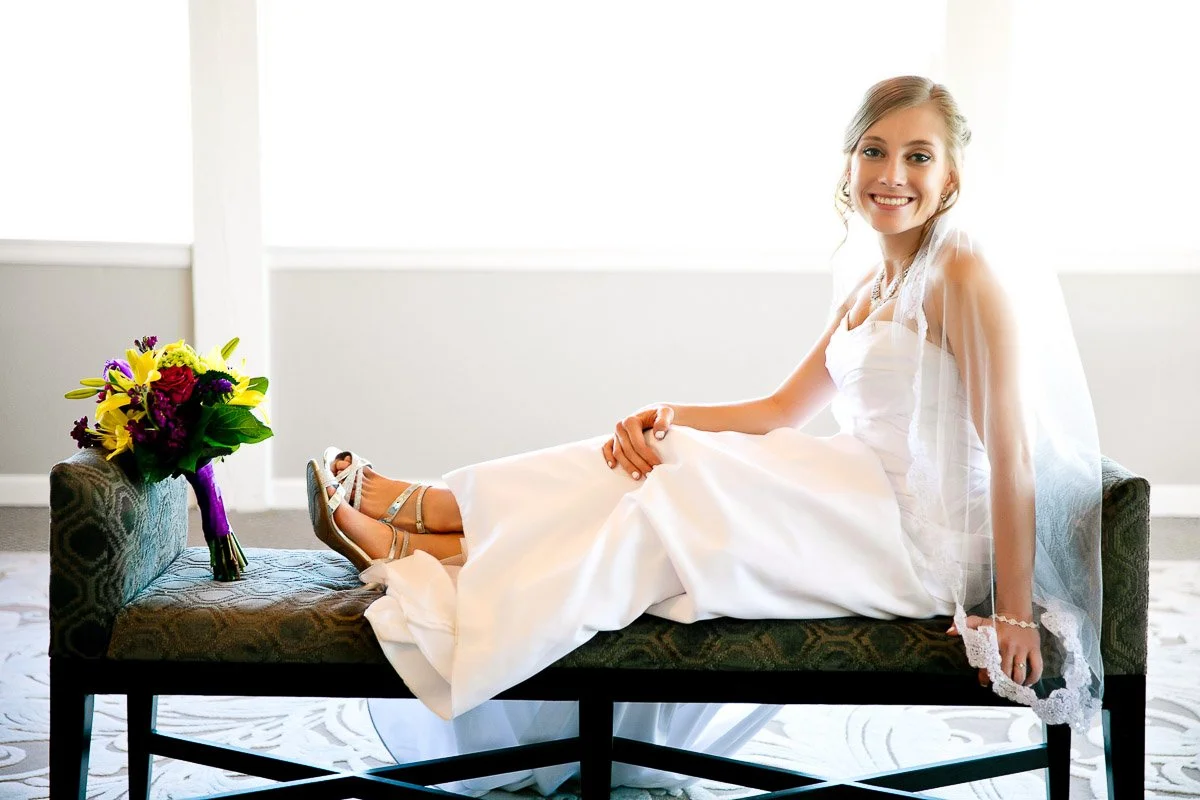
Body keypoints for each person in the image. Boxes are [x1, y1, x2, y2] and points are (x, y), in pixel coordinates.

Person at [306, 75, 1104, 794]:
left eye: (918, 157)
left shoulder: (963, 274)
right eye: (875, 151)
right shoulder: (869, 280)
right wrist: (667, 414)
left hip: (918, 537)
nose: (892, 175)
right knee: (663, 454)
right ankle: (443, 519)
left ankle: (440, 542)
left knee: (683, 491)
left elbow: (1012, 452)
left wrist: (1012, 610)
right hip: (851, 490)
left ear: (951, 178)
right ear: (849, 165)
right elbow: (779, 410)